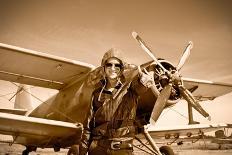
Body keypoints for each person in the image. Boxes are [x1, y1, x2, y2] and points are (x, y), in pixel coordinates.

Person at [79, 48, 155, 155]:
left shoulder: (131, 88)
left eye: (117, 65)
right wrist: (82, 151)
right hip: (97, 149)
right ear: (104, 68)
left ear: (122, 68)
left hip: (122, 149)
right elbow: (88, 126)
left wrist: (144, 78)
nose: (113, 68)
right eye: (109, 64)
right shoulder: (96, 93)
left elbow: (142, 86)